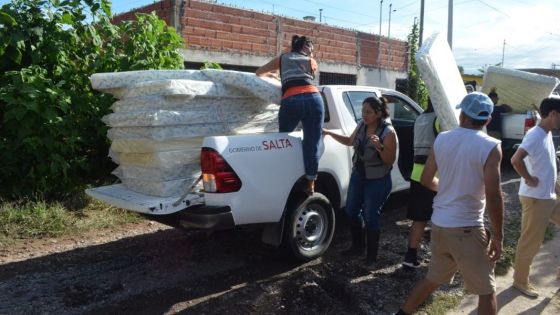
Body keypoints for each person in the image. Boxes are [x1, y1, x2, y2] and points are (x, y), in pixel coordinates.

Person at [394, 92, 504, 315]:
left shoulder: (442, 138)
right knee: (487, 291)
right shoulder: (491, 146)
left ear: (462, 114)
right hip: (467, 227)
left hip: (440, 224)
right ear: (488, 120)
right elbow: (494, 195)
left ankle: (402, 313)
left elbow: (426, 179)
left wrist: (445, 188)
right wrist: (499, 236)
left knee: (433, 279)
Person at [323, 96, 397, 266]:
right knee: (350, 210)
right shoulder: (362, 125)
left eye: (368, 112)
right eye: (363, 111)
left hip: (378, 179)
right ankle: (358, 246)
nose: (364, 115)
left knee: (370, 215)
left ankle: (371, 257)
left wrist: (380, 147)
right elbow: (350, 141)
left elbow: (389, 160)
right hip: (359, 175)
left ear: (378, 113)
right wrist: (328, 133)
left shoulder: (388, 132)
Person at [256, 35, 324, 195]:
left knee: (283, 140)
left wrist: (274, 76)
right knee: (312, 143)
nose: (312, 53)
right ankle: (310, 182)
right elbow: (303, 78)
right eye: (311, 49)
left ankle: (282, 177)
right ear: (304, 47)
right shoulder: (311, 62)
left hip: (291, 100)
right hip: (314, 99)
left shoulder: (282, 59)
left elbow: (259, 72)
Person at [510, 96, 560, 298]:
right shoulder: (536, 134)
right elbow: (516, 159)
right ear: (553, 114)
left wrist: (556, 187)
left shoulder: (546, 133)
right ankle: (520, 281)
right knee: (530, 241)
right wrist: (528, 178)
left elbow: (548, 167)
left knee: (531, 240)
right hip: (536, 199)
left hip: (549, 196)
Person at [402, 99, 441, 269]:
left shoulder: (420, 118)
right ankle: (440, 260)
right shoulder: (440, 120)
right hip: (435, 174)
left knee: (419, 218)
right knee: (440, 218)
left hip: (417, 172)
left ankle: (410, 256)